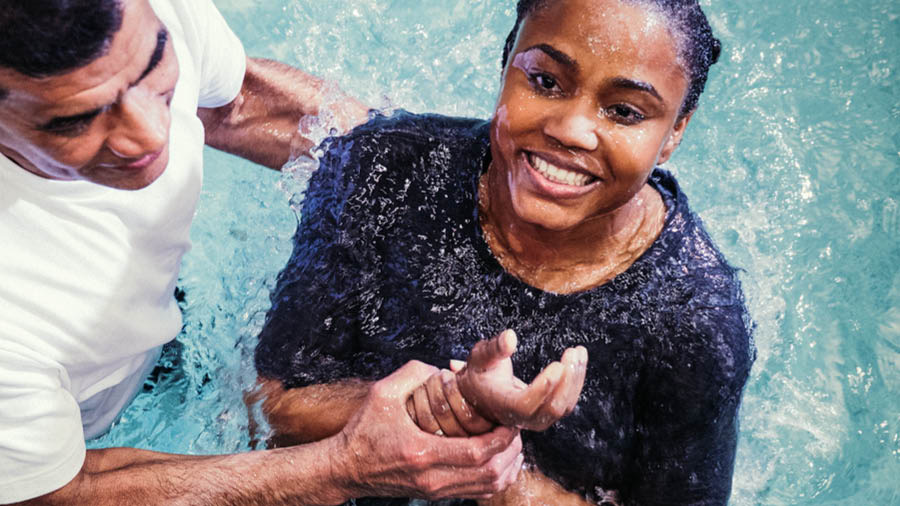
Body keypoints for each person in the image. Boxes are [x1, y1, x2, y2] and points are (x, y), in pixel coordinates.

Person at [0, 0, 526, 504]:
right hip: (64, 443)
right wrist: (340, 467)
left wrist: (471, 187)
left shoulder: (139, 11)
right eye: (75, 121)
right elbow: (55, 494)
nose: (149, 134)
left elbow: (235, 106)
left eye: (155, 63)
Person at [254, 0, 756, 504]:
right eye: (545, 82)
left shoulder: (694, 320)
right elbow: (270, 404)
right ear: (505, 61)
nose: (570, 129)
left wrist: (493, 465)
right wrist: (446, 406)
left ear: (675, 133)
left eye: (624, 112)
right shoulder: (383, 168)